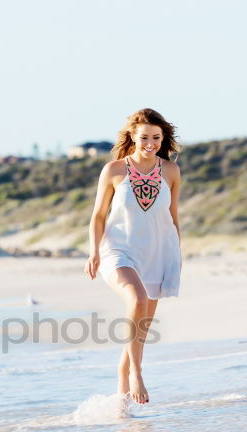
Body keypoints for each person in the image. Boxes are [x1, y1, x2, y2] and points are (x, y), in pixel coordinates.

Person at [84, 108, 182, 406]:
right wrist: (93, 251)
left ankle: (122, 373)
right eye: (144, 137)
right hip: (118, 249)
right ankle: (137, 373)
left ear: (163, 138)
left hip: (157, 252)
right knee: (136, 301)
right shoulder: (114, 170)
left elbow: (173, 217)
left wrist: (177, 255)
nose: (150, 143)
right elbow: (99, 216)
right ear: (132, 137)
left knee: (142, 326)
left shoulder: (171, 171)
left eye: (156, 137)